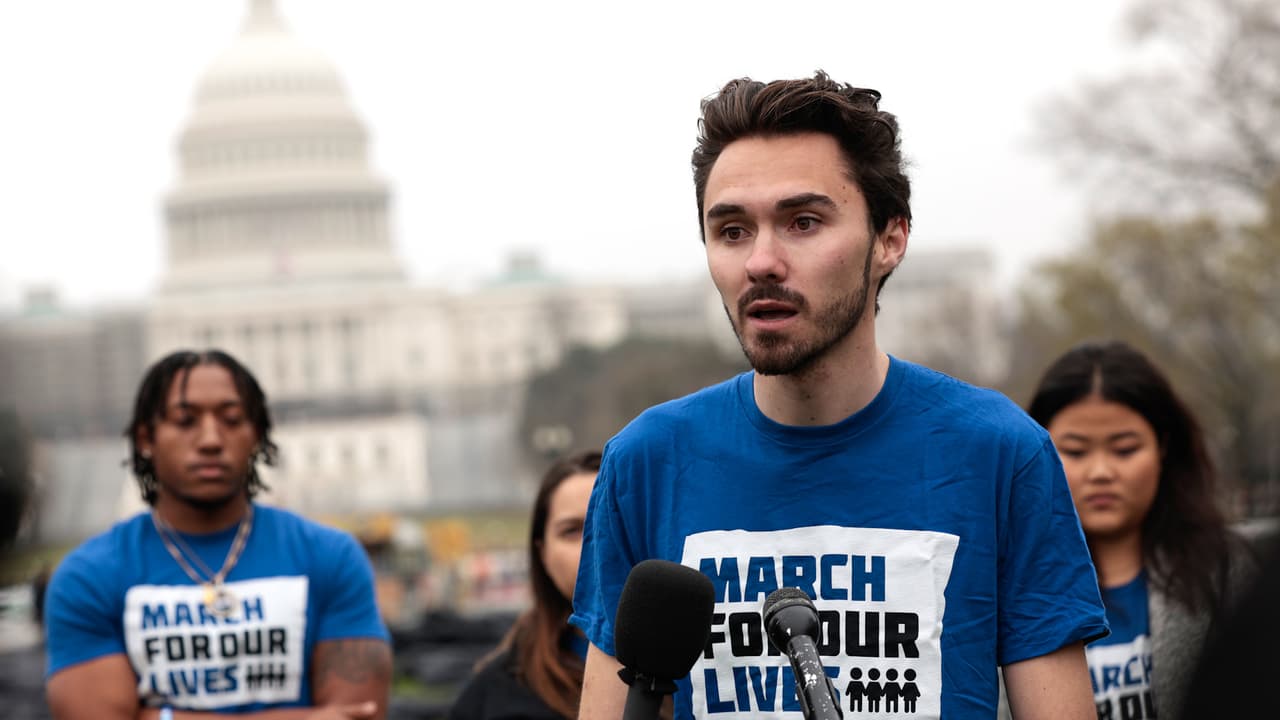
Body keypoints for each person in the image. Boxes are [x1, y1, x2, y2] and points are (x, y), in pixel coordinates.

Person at [571, 71, 1108, 720]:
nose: (761, 261)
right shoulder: (645, 463)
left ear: (890, 238)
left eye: (802, 222)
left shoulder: (1002, 453)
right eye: (732, 230)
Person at [43, 349, 392, 720]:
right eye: (185, 420)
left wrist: (155, 716)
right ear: (147, 438)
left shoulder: (330, 556)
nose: (210, 439)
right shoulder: (88, 576)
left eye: (231, 419)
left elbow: (357, 714)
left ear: (256, 434)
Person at [1027, 340, 1254, 720]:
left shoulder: (1229, 573)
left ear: (1163, 447)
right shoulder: (1011, 586)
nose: (1101, 472)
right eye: (1076, 451)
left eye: (1125, 448)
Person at [447, 450, 600, 720]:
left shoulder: (695, 668)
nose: (594, 546)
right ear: (542, 553)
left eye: (610, 524)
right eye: (572, 530)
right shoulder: (498, 692)